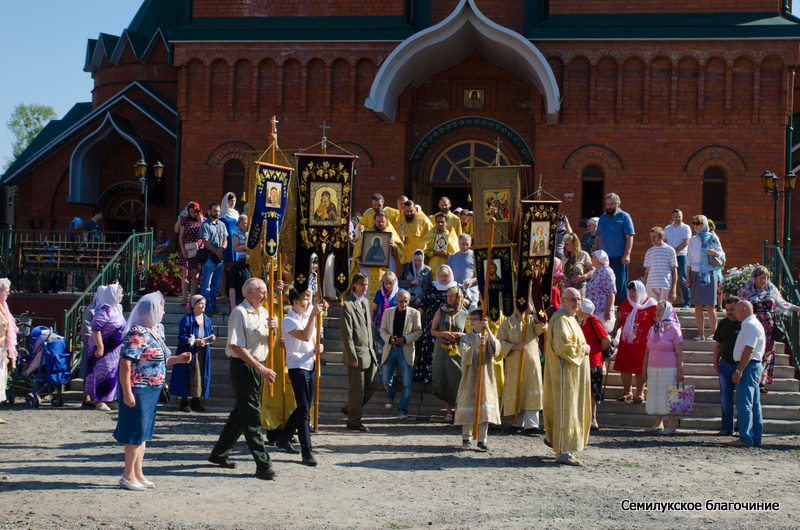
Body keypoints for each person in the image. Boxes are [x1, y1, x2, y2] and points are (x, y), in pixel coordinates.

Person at [115, 292, 191, 490]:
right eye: (161, 307)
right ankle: (127, 474)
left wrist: (178, 359)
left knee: (144, 432)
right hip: (138, 388)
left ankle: (138, 472)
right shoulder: (138, 332)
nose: (164, 311)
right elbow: (125, 363)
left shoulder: (156, 330)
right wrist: (127, 392)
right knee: (135, 433)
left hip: (153, 388)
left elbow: (159, 359)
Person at [209, 277, 278, 479]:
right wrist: (259, 368)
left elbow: (269, 347)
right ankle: (263, 463)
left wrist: (273, 331)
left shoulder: (265, 312)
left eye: (265, 292)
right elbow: (237, 347)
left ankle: (219, 453)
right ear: (249, 293)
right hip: (244, 367)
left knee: (241, 413)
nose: (265, 295)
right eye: (262, 292)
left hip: (258, 366)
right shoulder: (239, 313)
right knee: (251, 416)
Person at [274, 287, 327, 466]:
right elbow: (303, 336)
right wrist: (313, 315)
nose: (308, 302)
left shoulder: (307, 317)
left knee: (304, 407)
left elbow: (312, 341)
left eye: (310, 298)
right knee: (304, 410)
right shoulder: (288, 320)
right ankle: (307, 450)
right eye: (305, 298)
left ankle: (284, 437)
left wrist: (319, 348)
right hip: (297, 367)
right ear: (295, 302)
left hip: (311, 364)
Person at [543, 287, 591, 466]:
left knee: (570, 409)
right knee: (565, 409)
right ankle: (563, 452)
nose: (576, 302)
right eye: (572, 299)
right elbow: (563, 347)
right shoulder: (560, 320)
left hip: (573, 375)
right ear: (562, 300)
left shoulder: (571, 319)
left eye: (578, 299)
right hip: (564, 375)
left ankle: (561, 444)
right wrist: (583, 349)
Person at [737, 266, 799, 392]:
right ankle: (750, 378)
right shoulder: (746, 291)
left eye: (765, 278)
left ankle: (762, 381)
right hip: (753, 327)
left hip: (769, 328)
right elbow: (739, 307)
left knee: (767, 354)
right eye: (761, 278)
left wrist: (795, 308)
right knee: (753, 352)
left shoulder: (771, 289)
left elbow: (781, 303)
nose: (764, 280)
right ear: (754, 279)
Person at [453, 310, 501, 451]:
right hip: (470, 377)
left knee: (484, 406)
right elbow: (464, 355)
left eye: (475, 319)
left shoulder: (488, 336)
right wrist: (476, 346)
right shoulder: (466, 338)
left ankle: (482, 439)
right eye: (470, 319)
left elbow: (496, 351)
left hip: (485, 376)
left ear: (482, 321)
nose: (471, 321)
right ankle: (466, 437)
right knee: (469, 404)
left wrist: (488, 332)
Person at [341, 273, 381, 431]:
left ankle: (350, 408)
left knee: (374, 382)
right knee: (357, 390)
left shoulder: (365, 301)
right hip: (356, 354)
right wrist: (351, 355)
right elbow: (347, 333)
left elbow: (367, 328)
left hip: (369, 352)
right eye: (361, 284)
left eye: (366, 284)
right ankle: (354, 421)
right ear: (354, 285)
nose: (364, 287)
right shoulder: (347, 304)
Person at [497, 304, 546, 433]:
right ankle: (517, 422)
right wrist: (514, 347)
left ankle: (532, 425)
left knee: (532, 388)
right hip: (514, 363)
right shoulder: (507, 323)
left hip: (531, 362)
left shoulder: (531, 321)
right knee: (516, 389)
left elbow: (542, 328)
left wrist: (534, 313)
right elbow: (499, 342)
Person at [727, 301, 766, 448]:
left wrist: (739, 370)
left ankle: (745, 437)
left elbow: (748, 349)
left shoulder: (750, 325)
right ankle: (755, 437)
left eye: (736, 310)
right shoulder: (752, 324)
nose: (734, 313)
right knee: (754, 404)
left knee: (745, 404)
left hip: (748, 366)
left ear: (744, 309)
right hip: (753, 366)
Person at [642, 301, 684, 434]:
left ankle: (671, 425)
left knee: (671, 395)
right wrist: (644, 369)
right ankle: (658, 423)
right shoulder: (653, 329)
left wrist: (680, 372)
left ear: (667, 312)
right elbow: (647, 351)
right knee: (656, 394)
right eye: (657, 310)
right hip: (653, 368)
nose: (657, 312)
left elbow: (679, 353)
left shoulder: (674, 330)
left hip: (669, 368)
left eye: (660, 310)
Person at [379, 289, 422, 419]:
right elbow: (382, 330)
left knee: (408, 384)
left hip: (406, 349)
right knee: (386, 379)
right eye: (401, 301)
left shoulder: (414, 313)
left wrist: (405, 339)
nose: (403, 303)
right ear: (396, 300)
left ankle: (402, 409)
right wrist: (389, 338)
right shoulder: (388, 312)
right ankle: (391, 395)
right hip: (390, 348)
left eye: (406, 301)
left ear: (409, 301)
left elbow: (418, 331)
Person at [612, 281, 657, 403]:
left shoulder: (651, 304)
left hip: (643, 344)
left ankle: (640, 393)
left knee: (640, 368)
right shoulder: (626, 302)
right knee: (625, 367)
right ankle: (627, 392)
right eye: (630, 291)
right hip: (626, 342)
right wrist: (615, 330)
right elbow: (620, 318)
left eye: (635, 291)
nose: (632, 294)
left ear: (641, 291)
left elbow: (657, 321)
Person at [430, 285, 469, 423]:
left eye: (452, 296)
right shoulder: (441, 311)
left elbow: (470, 333)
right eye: (448, 296)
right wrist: (443, 333)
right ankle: (448, 412)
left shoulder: (465, 313)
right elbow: (432, 331)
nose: (449, 298)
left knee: (458, 379)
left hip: (458, 351)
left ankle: (459, 410)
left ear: (459, 297)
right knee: (443, 379)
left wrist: (460, 334)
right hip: (442, 350)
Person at [171, 295, 215, 413]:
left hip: (203, 351)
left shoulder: (206, 319)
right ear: (194, 305)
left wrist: (211, 337)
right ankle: (184, 401)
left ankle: (196, 400)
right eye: (201, 304)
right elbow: (182, 336)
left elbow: (209, 331)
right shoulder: (187, 319)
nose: (203, 306)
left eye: (204, 304)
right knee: (187, 374)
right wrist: (194, 341)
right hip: (189, 351)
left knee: (200, 374)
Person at [415, 265, 457, 386]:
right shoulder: (433, 286)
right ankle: (428, 379)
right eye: (441, 276)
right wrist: (416, 321)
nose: (443, 279)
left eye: (446, 276)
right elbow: (424, 304)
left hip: (449, 322)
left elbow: (466, 301)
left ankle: (444, 380)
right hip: (432, 321)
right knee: (430, 348)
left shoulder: (456, 287)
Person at [87, 284, 125, 411]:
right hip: (104, 347)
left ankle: (111, 398)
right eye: (120, 293)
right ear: (114, 294)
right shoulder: (104, 309)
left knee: (113, 373)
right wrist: (100, 347)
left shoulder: (118, 308)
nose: (122, 296)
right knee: (103, 372)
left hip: (115, 349)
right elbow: (96, 329)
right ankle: (100, 400)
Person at [350, 209, 405, 296]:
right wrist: (358, 260)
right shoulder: (368, 233)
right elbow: (358, 249)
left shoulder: (390, 232)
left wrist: (394, 245)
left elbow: (401, 249)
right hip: (368, 269)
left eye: (382, 221)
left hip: (385, 269)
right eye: (378, 221)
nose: (380, 224)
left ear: (386, 221)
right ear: (374, 220)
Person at [687, 215, 724, 340]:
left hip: (709, 273)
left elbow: (722, 255)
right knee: (697, 305)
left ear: (704, 224)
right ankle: (700, 333)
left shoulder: (712, 238)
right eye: (694, 223)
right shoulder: (692, 240)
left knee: (710, 305)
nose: (695, 225)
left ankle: (714, 333)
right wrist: (687, 277)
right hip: (695, 273)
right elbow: (689, 260)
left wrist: (714, 253)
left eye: (698, 223)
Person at [594, 193, 634, 305]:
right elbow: (597, 237)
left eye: (612, 204)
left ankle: (621, 307)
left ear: (618, 204)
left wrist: (627, 254)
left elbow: (629, 236)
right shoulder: (602, 218)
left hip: (618, 257)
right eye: (607, 204)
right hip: (602, 259)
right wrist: (595, 254)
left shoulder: (624, 217)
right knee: (603, 283)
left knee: (619, 284)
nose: (609, 206)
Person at [577, 298, 610, 431]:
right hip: (584, 360)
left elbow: (606, 339)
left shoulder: (593, 320)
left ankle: (593, 419)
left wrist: (597, 351)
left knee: (592, 391)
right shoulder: (582, 322)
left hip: (593, 361)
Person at [712, 296, 741, 436]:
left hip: (740, 366)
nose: (729, 312)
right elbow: (718, 345)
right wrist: (715, 362)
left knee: (741, 397)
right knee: (725, 397)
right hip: (725, 365)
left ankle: (740, 428)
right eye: (727, 309)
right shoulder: (723, 323)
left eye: (732, 310)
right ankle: (726, 427)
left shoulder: (744, 324)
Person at [200, 202, 229, 315]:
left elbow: (225, 239)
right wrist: (215, 251)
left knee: (215, 284)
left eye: (218, 211)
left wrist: (221, 249)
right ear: (209, 211)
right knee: (206, 283)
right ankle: (204, 307)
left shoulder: (222, 224)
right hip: (209, 256)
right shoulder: (205, 224)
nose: (217, 213)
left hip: (219, 257)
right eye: (215, 211)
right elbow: (205, 241)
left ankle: (212, 306)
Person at [664, 209, 692, 308]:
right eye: (675, 216)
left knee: (683, 279)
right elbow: (664, 241)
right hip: (669, 257)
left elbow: (686, 242)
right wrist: (670, 253)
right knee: (669, 278)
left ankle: (687, 302)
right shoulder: (667, 229)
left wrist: (674, 252)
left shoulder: (686, 228)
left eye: (679, 216)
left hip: (681, 256)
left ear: (682, 216)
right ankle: (669, 302)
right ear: (672, 217)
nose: (678, 218)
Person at [0, 278, 18, 424]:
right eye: (6, 291)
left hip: (2, 349)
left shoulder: (4, 306)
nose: (8, 294)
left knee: (1, 380)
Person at [643, 227, 677, 302]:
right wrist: (644, 288)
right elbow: (647, 272)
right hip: (651, 286)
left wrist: (674, 290)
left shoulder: (670, 250)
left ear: (661, 237)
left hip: (665, 285)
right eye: (651, 237)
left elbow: (674, 271)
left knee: (664, 310)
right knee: (652, 310)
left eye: (654, 237)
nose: (652, 239)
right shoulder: (649, 252)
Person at [80, 289, 101, 409]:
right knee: (88, 371)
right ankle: (86, 397)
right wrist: (93, 341)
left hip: (100, 344)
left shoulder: (103, 309)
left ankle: (95, 396)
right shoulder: (91, 309)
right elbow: (87, 327)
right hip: (90, 344)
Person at [178, 202, 203, 302]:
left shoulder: (202, 220)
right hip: (186, 248)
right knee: (186, 273)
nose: (192, 213)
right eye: (190, 211)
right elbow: (181, 235)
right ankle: (184, 297)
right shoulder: (185, 220)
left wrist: (201, 222)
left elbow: (204, 234)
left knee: (195, 274)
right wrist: (182, 249)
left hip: (197, 249)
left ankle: (192, 297)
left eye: (194, 212)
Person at [585, 250, 616, 331]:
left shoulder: (606, 271)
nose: (591, 259)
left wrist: (608, 311)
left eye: (593, 258)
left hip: (602, 312)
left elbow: (611, 292)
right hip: (595, 311)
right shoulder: (596, 272)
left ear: (598, 259)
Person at [371, 271, 398, 359]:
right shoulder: (379, 293)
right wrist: (371, 321)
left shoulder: (400, 293)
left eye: (391, 283)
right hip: (380, 326)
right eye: (386, 283)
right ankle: (379, 370)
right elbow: (374, 309)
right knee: (379, 351)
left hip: (394, 326)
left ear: (395, 282)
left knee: (392, 352)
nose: (388, 286)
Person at [447, 234, 479, 308]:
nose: (464, 247)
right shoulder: (452, 257)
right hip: (456, 292)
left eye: (467, 244)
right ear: (458, 243)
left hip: (471, 293)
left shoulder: (475, 256)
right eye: (462, 244)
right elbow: (448, 275)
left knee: (472, 311)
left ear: (470, 244)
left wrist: (471, 281)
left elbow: (480, 276)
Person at [227, 214, 251, 313]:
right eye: (243, 223)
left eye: (246, 223)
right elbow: (236, 248)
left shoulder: (251, 233)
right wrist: (248, 246)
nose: (245, 225)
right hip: (241, 259)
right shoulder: (236, 233)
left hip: (251, 260)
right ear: (239, 223)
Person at [220, 192, 240, 295]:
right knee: (223, 267)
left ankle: (231, 292)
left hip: (234, 241)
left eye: (233, 201)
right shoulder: (221, 213)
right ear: (226, 201)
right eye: (230, 201)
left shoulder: (236, 213)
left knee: (233, 267)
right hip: (225, 240)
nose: (232, 203)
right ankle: (223, 292)